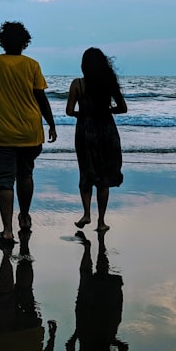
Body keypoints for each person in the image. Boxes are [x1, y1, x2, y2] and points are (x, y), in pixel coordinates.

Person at [0, 21, 57, 247]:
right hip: (30, 132)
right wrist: (51, 123)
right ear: (25, 42)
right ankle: (24, 216)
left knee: (4, 181)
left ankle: (7, 231)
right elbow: (41, 98)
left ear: (1, 41)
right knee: (25, 174)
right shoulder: (32, 65)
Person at [65, 47, 127, 232]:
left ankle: (86, 214)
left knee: (86, 172)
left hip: (85, 132)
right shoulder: (109, 83)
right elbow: (123, 108)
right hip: (107, 131)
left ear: (83, 65)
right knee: (103, 177)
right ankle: (101, 221)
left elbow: (68, 111)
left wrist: (81, 115)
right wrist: (108, 110)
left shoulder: (78, 84)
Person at [66, 231, 128, 351]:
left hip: (108, 323)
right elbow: (69, 346)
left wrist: (112, 340)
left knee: (103, 277)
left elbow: (124, 348)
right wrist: (78, 333)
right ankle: (88, 248)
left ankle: (100, 246)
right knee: (85, 277)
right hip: (86, 324)